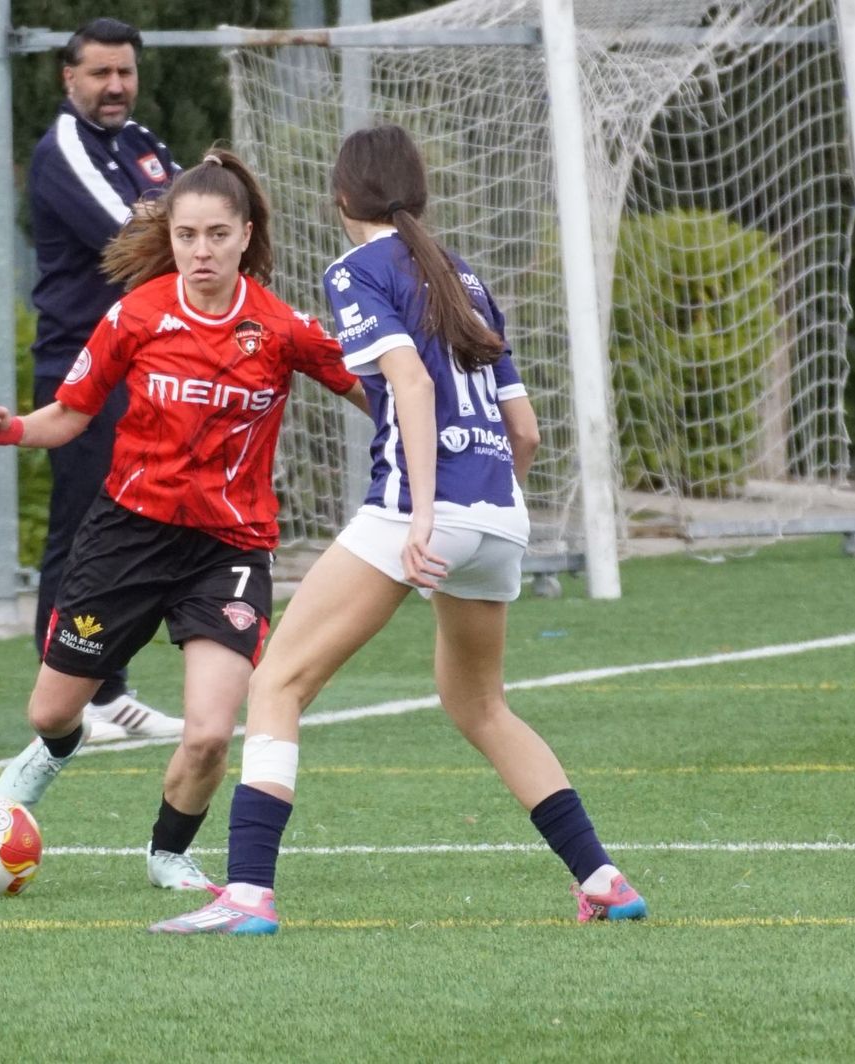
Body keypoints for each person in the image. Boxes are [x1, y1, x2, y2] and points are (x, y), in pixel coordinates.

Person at [153, 124, 648, 934]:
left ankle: (246, 894)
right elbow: (524, 431)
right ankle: (602, 878)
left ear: (343, 199)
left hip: (418, 512)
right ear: (416, 193)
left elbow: (409, 385)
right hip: (497, 515)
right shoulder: (468, 279)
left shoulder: (358, 270)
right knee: (480, 705)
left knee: (277, 683)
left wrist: (424, 516)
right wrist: (481, 511)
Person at [0, 148, 366, 892]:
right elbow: (70, 413)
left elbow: (377, 392)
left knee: (213, 731)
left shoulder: (280, 329)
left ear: (246, 235)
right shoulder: (137, 315)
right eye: (187, 235)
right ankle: (56, 750)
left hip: (228, 546)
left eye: (217, 234)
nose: (201, 251)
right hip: (126, 533)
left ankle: (166, 852)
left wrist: (435, 428)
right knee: (52, 709)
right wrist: (10, 428)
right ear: (172, 237)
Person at [26, 17, 186, 741]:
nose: (115, 85)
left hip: (148, 372)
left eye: (124, 71)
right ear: (70, 78)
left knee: (136, 531)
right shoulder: (64, 148)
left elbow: (196, 215)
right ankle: (64, 695)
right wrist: (177, 225)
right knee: (83, 532)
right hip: (82, 371)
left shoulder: (144, 145)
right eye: (99, 73)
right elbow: (145, 239)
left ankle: (111, 687)